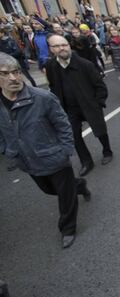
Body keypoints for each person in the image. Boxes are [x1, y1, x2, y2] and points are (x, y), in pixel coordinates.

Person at [0, 53, 91, 249]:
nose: (13, 78)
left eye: (16, 72)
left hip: (55, 157)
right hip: (27, 160)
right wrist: (7, 149)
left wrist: (65, 151)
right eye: (5, 74)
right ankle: (80, 186)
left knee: (65, 196)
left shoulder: (42, 98)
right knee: (50, 190)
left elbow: (63, 125)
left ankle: (67, 229)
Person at [45, 34, 113, 177]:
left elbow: (100, 87)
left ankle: (107, 150)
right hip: (68, 109)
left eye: (64, 45)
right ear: (51, 49)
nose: (61, 48)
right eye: (56, 46)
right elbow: (53, 86)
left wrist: (98, 103)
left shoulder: (85, 64)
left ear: (69, 45)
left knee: (100, 130)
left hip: (89, 105)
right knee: (74, 135)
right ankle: (86, 161)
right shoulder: (51, 66)